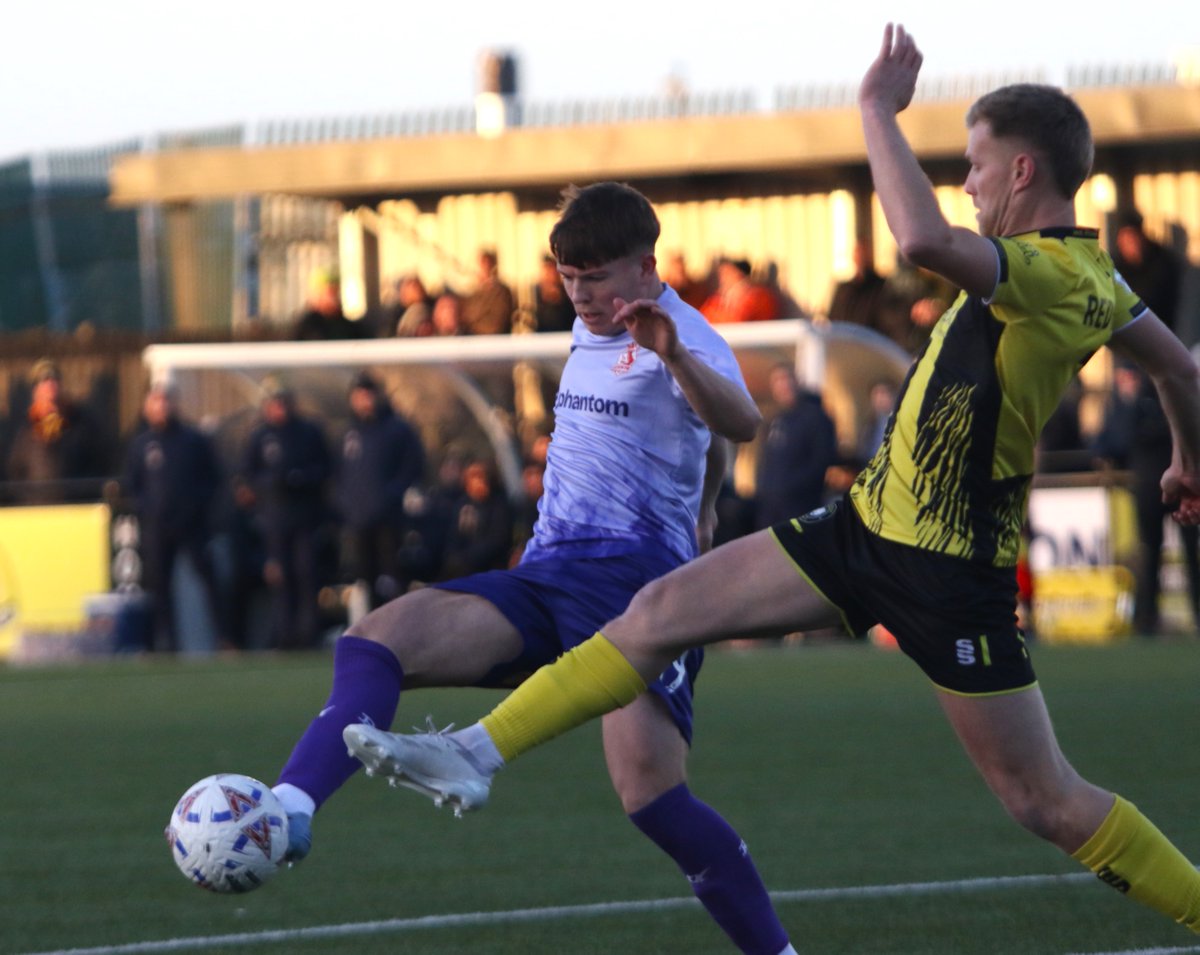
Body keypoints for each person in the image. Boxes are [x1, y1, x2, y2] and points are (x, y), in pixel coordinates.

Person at [359, 27, 1200, 942]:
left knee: (1043, 800)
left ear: (1025, 172)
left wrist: (875, 107)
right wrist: (1187, 458)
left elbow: (919, 236)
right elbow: (1181, 371)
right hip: (865, 529)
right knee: (652, 615)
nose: (966, 182)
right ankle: (474, 754)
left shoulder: (1040, 268)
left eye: (975, 163)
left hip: (948, 572)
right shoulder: (1098, 278)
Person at [272, 182, 799, 955]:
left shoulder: (680, 333)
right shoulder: (592, 322)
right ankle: (290, 806)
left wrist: (676, 355)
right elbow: (706, 444)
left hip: (638, 585)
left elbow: (740, 421)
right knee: (375, 639)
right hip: (551, 569)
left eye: (597, 277)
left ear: (647, 267)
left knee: (653, 797)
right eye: (567, 276)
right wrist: (710, 499)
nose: (580, 294)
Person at [1094, 362, 1200, 634]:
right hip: (1154, 489)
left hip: (1170, 487)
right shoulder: (1134, 405)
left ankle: (1155, 619)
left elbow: (1115, 443)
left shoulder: (1145, 403)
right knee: (1153, 552)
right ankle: (1146, 619)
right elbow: (1108, 443)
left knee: (1183, 553)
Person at [122, 382, 227, 652]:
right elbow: (132, 485)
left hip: (192, 524)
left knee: (209, 580)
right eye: (156, 401)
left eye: (166, 401)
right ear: (147, 407)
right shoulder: (142, 444)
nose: (162, 407)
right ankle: (167, 644)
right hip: (157, 527)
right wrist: (148, 509)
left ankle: (225, 638)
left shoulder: (193, 439)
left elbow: (213, 478)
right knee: (159, 586)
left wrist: (198, 507)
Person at [239, 376, 333, 650]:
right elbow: (248, 475)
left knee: (307, 575)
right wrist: (271, 483)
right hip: (274, 522)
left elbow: (325, 469)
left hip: (305, 518)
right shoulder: (259, 436)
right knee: (281, 579)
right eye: (274, 403)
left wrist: (299, 479)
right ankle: (285, 636)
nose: (279, 408)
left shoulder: (308, 432)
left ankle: (309, 634)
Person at [335, 373, 426, 615]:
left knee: (394, 576)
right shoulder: (348, 432)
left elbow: (413, 467)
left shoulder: (397, 429)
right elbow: (339, 474)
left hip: (390, 519)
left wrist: (392, 495)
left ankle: (401, 626)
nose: (364, 401)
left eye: (368, 395)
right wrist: (345, 503)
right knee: (366, 578)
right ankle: (374, 631)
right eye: (359, 396)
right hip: (358, 519)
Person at [5, 358, 106, 505]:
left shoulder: (80, 425)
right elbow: (13, 475)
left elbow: (95, 466)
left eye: (54, 379)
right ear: (35, 390)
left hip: (73, 512)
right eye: (44, 380)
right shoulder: (22, 431)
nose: (50, 384)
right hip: (34, 514)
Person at [753, 364, 838, 529]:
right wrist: (762, 489)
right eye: (777, 381)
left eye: (786, 379)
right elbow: (765, 460)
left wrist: (789, 489)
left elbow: (822, 461)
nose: (782, 386)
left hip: (801, 508)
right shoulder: (775, 420)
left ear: (797, 382)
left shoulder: (817, 418)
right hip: (769, 508)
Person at [827, 237, 887, 330]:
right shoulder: (844, 290)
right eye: (858, 253)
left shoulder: (880, 288)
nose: (861, 257)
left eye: (864, 253)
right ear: (853, 257)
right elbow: (834, 319)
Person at [292, 268, 365, 341]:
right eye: (329, 293)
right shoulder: (304, 326)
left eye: (336, 292)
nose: (334, 298)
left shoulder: (349, 326)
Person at [700, 258, 779, 324]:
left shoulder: (759, 296)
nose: (722, 279)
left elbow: (739, 321)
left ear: (739, 274)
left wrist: (736, 299)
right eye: (721, 275)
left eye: (727, 274)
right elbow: (703, 320)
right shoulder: (718, 300)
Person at [461, 249, 516, 335]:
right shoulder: (473, 293)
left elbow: (497, 323)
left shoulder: (501, 293)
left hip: (495, 342)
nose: (484, 269)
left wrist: (475, 322)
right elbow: (466, 317)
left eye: (488, 264)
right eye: (482, 264)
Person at [531, 253, 577, 333]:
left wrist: (558, 300)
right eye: (545, 270)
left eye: (551, 270)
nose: (547, 274)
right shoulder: (534, 292)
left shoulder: (567, 292)